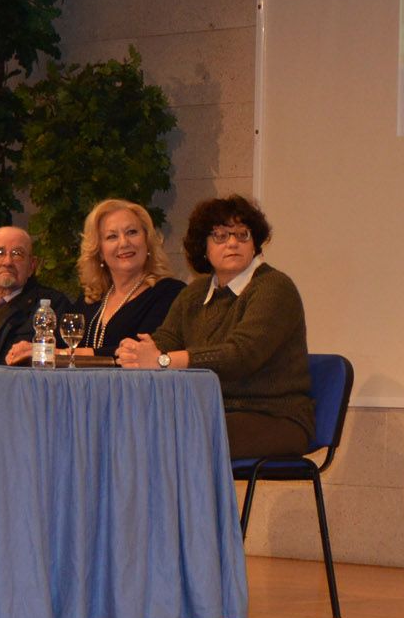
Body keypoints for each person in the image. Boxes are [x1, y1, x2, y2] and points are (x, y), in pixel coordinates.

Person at [115, 195, 312, 459]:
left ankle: (190, 503)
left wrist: (162, 360)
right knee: (129, 426)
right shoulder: (194, 294)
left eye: (242, 235)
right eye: (220, 236)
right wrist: (136, 352)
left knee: (175, 436)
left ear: (255, 244)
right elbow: (165, 338)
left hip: (274, 416)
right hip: (212, 411)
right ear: (203, 248)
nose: (233, 243)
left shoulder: (274, 287)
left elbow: (240, 355)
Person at [65, 199, 184, 358]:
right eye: (112, 236)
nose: (124, 243)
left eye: (132, 232)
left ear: (147, 241)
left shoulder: (170, 292)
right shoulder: (90, 300)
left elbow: (142, 351)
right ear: (99, 251)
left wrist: (80, 353)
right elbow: (60, 348)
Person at [0, 226, 69, 366]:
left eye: (17, 253)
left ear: (31, 266)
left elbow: (68, 361)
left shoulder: (54, 306)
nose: (8, 262)